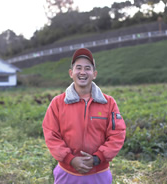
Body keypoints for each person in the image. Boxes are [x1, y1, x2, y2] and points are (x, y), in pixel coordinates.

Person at [42, 48, 126, 184]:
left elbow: (117, 134)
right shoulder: (57, 103)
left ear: (94, 74)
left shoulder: (109, 103)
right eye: (78, 68)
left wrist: (97, 158)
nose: (82, 72)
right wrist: (70, 159)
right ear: (71, 73)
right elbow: (51, 134)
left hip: (99, 173)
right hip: (67, 173)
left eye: (87, 68)